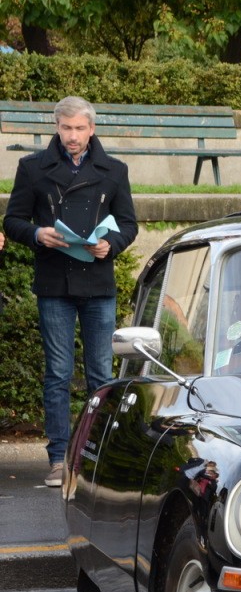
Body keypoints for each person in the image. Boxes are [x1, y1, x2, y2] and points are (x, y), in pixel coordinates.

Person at [3, 96, 137, 487]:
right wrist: (37, 233)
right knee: (58, 373)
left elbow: (129, 224)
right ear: (56, 127)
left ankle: (99, 456)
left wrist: (110, 244)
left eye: (80, 128)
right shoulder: (33, 168)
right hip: (54, 282)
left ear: (92, 129)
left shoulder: (114, 170)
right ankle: (60, 457)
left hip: (98, 282)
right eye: (66, 128)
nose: (73, 136)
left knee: (101, 374)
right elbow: (13, 220)